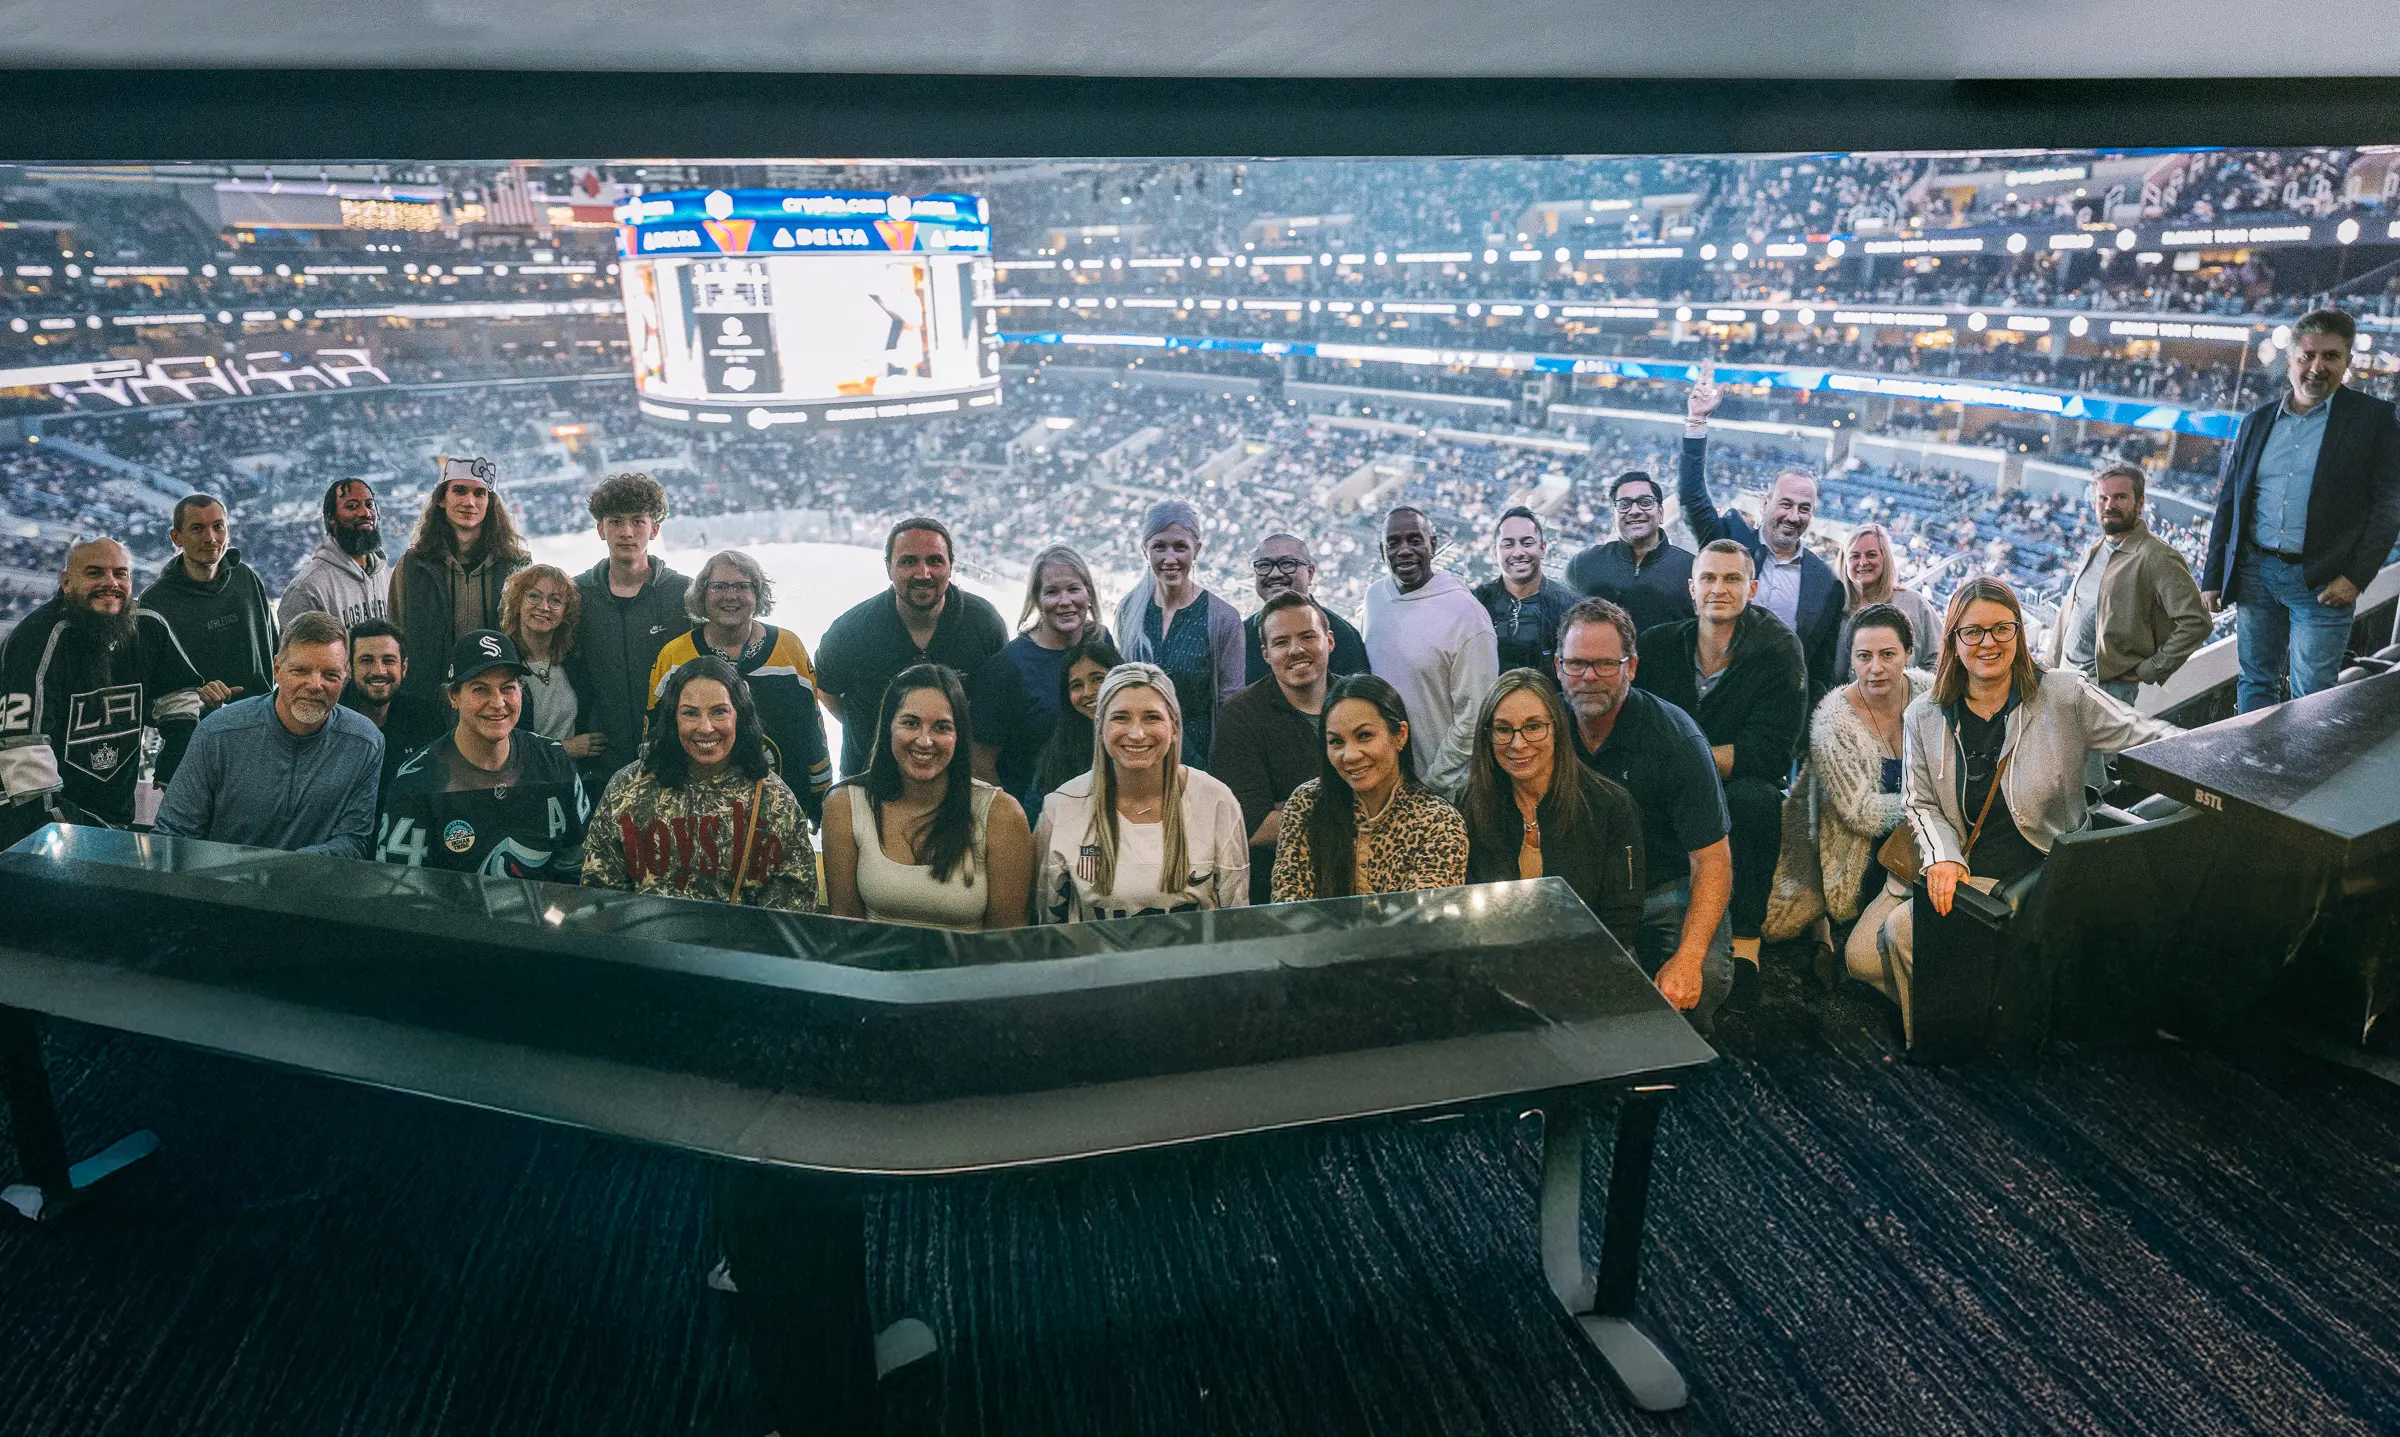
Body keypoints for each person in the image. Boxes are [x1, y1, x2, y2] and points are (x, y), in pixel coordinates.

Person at [1872, 578, 2176, 1041]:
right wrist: (1944, 856)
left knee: (1901, 934)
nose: (1988, 642)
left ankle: (1942, 1048)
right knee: (1859, 960)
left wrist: (2217, 759)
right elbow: (1920, 802)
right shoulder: (1925, 714)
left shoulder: (2064, 693)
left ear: (2020, 632)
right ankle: (1988, 1004)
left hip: (2044, 866)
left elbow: (2149, 738)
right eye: (1972, 632)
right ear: (1954, 640)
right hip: (1967, 860)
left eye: (2002, 628)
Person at [2203, 307, 2400, 712]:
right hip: (2256, 574)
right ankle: (2249, 772)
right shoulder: (2256, 421)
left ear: (2346, 362)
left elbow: (2389, 507)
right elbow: (2230, 503)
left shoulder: (2373, 420)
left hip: (2323, 581)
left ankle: (2299, 776)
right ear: (2290, 358)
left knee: (2313, 694)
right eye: (2307, 355)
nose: (2317, 366)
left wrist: (2356, 577)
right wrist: (2213, 575)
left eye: (2330, 356)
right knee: (2255, 682)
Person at [1631, 540, 1807, 984]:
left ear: (1752, 589)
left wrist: (1685, 765)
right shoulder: (1658, 645)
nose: (1718, 588)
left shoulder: (1779, 651)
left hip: (1732, 785)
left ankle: (1746, 933)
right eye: (1708, 578)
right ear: (1692, 588)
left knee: (1758, 800)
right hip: (1663, 785)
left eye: (1731, 579)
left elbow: (1766, 754)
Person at [1556, 597, 1735, 1025]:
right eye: (1576, 664)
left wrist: (1688, 959)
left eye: (1604, 664)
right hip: (1580, 885)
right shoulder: (1543, 728)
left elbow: (1712, 860)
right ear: (1558, 667)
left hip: (1662, 886)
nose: (1588, 677)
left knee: (1701, 977)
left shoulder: (1676, 740)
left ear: (1630, 667)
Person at [1764, 604, 1929, 989]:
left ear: (1908, 652)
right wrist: (1929, 804)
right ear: (1851, 659)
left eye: (1888, 654)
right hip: (1862, 850)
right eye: (1863, 656)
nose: (1876, 668)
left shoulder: (1931, 696)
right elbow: (1861, 813)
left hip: (1921, 835)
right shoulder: (1833, 724)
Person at [0, 537, 206, 843]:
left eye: (120, 574)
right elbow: (22, 745)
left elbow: (179, 695)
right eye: (95, 573)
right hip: (37, 825)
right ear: (67, 582)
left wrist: (177, 749)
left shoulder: (150, 627)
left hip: (114, 818)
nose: (110, 583)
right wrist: (56, 822)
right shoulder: (36, 639)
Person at [583, 655, 816, 911]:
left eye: (719, 712)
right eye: (691, 713)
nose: (705, 728)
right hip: (645, 945)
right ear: (673, 718)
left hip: (743, 948)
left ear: (739, 714)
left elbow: (795, 907)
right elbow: (600, 894)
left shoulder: (775, 799)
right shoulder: (627, 789)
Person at [154, 610, 382, 859]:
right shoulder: (218, 734)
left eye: (330, 675)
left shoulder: (364, 742)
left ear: (345, 677)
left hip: (313, 888)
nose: (316, 685)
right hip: (224, 888)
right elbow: (173, 833)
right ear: (277, 669)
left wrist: (284, 869)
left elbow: (354, 840)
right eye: (301, 671)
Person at [821, 663, 1032, 930]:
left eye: (941, 727)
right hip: (875, 970)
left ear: (959, 735)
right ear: (889, 727)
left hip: (967, 970)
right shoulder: (844, 804)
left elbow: (1007, 938)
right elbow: (845, 921)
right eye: (911, 723)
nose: (925, 740)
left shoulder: (1002, 814)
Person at [1034, 662, 1250, 922]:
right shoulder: (1062, 807)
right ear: (1100, 728)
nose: (1136, 733)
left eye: (1152, 717)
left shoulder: (1216, 801)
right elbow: (1048, 923)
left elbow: (1235, 919)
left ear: (1174, 728)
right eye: (1121, 717)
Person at [1680, 366, 1844, 705]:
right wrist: (1696, 421)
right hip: (1709, 700)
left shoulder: (1826, 585)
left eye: (1804, 508)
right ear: (1766, 503)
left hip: (1775, 716)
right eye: (1786, 504)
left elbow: (1820, 670)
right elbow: (1693, 496)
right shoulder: (1729, 540)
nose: (1793, 516)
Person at [375, 629, 591, 882]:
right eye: (480, 689)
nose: (498, 702)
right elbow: (403, 893)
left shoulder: (553, 760)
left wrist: (555, 918)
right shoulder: (417, 782)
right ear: (453, 696)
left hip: (545, 918)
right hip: (453, 919)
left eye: (508, 687)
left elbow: (580, 867)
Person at [2048, 463, 2212, 791]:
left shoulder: (2157, 556)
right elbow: (2072, 609)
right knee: (2066, 770)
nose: (2109, 505)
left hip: (2105, 685)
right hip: (2067, 678)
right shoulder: (2096, 548)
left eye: (2120, 497)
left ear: (2139, 503)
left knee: (2085, 780)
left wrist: (2151, 668)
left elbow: (2196, 621)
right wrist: (2050, 663)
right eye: (2103, 498)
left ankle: (2093, 833)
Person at [1459, 669, 1645, 947]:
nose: (1517, 743)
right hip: (1495, 963)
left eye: (1533, 727)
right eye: (1503, 729)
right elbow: (1466, 917)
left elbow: (1621, 921)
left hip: (1586, 965)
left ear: (1556, 729)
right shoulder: (1467, 805)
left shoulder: (1611, 805)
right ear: (1487, 735)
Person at [647, 551, 833, 824]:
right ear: (703, 595)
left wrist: (821, 799)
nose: (730, 595)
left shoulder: (788, 648)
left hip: (777, 814)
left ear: (757, 594)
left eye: (742, 586)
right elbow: (655, 736)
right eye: (719, 587)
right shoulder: (674, 656)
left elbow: (811, 730)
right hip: (693, 815)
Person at [816, 517, 1007, 781]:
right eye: (908, 561)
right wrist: (879, 731)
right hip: (869, 780)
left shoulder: (983, 624)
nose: (923, 573)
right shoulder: (849, 632)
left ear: (951, 566)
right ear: (888, 568)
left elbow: (995, 707)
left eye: (934, 560)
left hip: (953, 781)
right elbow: (828, 692)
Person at [1270, 674, 1468, 902]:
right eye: (1336, 742)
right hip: (1315, 939)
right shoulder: (1306, 804)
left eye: (1364, 736)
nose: (1350, 755)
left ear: (1400, 735)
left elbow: (1421, 920)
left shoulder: (1437, 821)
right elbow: (1288, 907)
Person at [1359, 506, 1498, 794]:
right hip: (1383, 782)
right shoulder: (1374, 599)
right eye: (1393, 543)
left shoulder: (1466, 614)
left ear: (1432, 545)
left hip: (1447, 790)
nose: (1404, 550)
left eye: (1415, 540)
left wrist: (1432, 782)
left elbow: (1475, 716)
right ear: (1382, 552)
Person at [1212, 592, 1336, 905]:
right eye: (1281, 642)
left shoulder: (1361, 703)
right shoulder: (1239, 717)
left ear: (1329, 641)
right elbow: (1250, 827)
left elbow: (1394, 797)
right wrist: (1351, 804)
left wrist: (1287, 810)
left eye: (1308, 636)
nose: (1296, 650)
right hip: (1280, 894)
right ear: (1266, 654)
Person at [572, 471, 688, 789]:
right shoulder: (576, 594)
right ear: (600, 529)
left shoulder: (684, 594)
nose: (626, 532)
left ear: (654, 529)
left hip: (673, 756)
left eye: (638, 521)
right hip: (600, 761)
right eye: (616, 521)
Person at [970, 544, 1106, 810]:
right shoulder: (1008, 668)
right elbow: (980, 765)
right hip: (1034, 815)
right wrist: (1013, 824)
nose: (1065, 601)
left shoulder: (1100, 642)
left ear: (1088, 593)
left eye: (1073, 589)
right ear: (1036, 598)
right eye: (1052, 592)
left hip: (1097, 806)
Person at [1114, 500, 1246, 772]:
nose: (1170, 558)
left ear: (1196, 550)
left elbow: (1230, 706)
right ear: (1144, 550)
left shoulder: (1223, 618)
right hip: (1136, 753)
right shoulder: (1129, 609)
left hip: (1195, 762)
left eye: (1180, 547)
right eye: (1159, 546)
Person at [389, 455, 529, 702]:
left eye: (479, 493)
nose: (469, 502)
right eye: (460, 491)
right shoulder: (413, 566)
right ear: (442, 499)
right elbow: (395, 637)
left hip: (497, 701)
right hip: (428, 702)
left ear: (490, 502)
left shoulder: (516, 566)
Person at [142, 493, 277, 710]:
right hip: (198, 733)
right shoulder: (155, 603)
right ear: (176, 537)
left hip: (263, 720)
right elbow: (150, 690)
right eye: (197, 528)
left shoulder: (246, 578)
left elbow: (275, 650)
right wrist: (198, 698)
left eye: (218, 526)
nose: (211, 538)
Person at [1564, 470, 1695, 636]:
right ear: (1614, 516)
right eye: (1624, 505)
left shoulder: (1692, 570)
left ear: (1661, 513)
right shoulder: (1582, 564)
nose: (1635, 511)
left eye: (1645, 502)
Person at [501, 564, 604, 762]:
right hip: (520, 781)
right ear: (517, 602)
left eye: (555, 600)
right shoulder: (502, 664)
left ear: (565, 612)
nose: (544, 607)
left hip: (570, 779)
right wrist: (564, 749)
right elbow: (497, 741)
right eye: (533, 596)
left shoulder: (573, 664)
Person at [340, 617, 448, 801]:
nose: (379, 671)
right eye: (366, 660)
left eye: (388, 660)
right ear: (349, 667)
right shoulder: (332, 723)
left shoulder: (426, 718)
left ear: (403, 667)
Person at [1240, 533, 1370, 686]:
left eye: (1287, 564)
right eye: (1264, 565)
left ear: (1310, 573)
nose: (1275, 573)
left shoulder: (1342, 635)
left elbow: (1357, 700)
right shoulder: (1240, 636)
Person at [1026, 633, 1124, 830]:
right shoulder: (1057, 752)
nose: (1088, 692)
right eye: (1077, 685)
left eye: (1098, 679)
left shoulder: (1150, 737)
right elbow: (1034, 818)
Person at [1473, 506, 1575, 674]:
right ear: (1495, 552)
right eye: (1508, 544)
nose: (1518, 552)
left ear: (1543, 548)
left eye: (1527, 543)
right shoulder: (1475, 603)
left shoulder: (1569, 608)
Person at [278, 477, 390, 629]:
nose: (365, 512)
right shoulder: (307, 589)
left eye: (370, 504)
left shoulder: (386, 576)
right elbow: (298, 652)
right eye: (352, 506)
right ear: (331, 519)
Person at [1832, 524, 1938, 681]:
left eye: (1872, 555)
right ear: (1845, 562)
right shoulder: (1834, 609)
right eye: (1854, 556)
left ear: (1885, 558)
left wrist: (1916, 695)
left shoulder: (1913, 604)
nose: (1862, 562)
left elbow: (1939, 658)